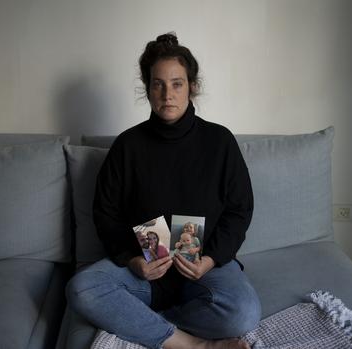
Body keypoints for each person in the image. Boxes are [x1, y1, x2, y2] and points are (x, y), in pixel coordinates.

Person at [66, 32, 260, 349]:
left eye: (177, 83)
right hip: (145, 273)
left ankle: (141, 323)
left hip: (202, 269)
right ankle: (190, 344)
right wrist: (131, 260)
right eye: (158, 84)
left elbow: (240, 211)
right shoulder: (127, 145)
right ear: (148, 88)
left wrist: (210, 260)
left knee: (244, 313)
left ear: (192, 87)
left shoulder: (220, 141)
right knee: (81, 289)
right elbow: (105, 213)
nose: (167, 94)